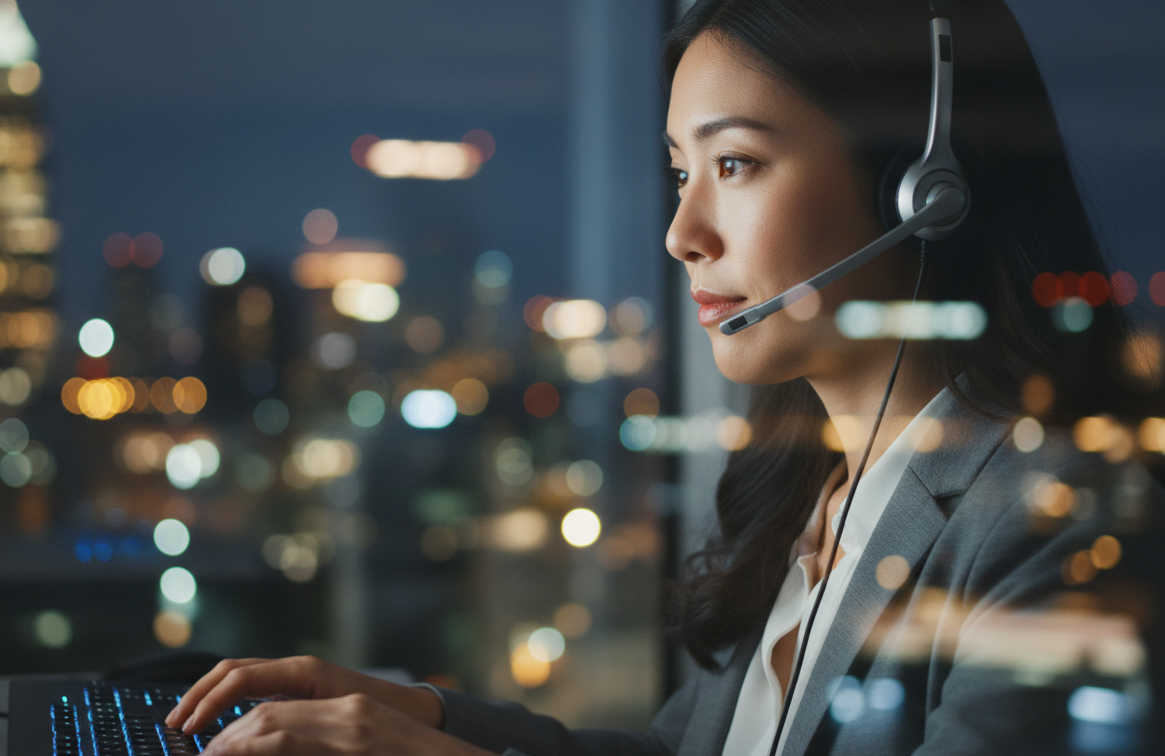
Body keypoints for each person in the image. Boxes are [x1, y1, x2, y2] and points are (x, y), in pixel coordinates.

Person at [164, 0, 1163, 753]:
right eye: (681, 171)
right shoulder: (799, 497)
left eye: (736, 165)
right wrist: (418, 714)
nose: (682, 235)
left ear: (923, 187)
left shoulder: (1064, 528)